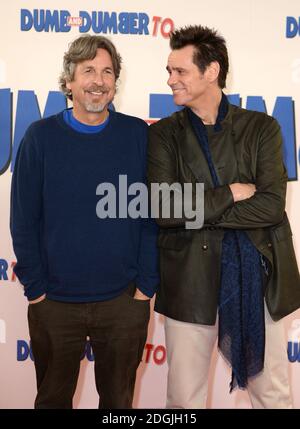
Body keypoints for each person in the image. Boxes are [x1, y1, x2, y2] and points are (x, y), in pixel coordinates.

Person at [148, 25, 300, 409]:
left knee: (273, 396)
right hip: (189, 283)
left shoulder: (262, 128)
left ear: (211, 71)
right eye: (169, 71)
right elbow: (164, 209)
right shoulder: (164, 135)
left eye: (179, 71)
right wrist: (230, 193)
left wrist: (197, 209)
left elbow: (270, 206)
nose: (170, 80)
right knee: (184, 400)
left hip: (256, 276)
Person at [10, 34, 159, 409]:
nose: (99, 80)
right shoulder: (39, 138)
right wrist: (37, 291)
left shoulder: (137, 135)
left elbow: (151, 214)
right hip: (55, 303)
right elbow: (23, 221)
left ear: (115, 82)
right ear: (69, 81)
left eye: (107, 71)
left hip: (123, 302)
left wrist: (145, 287)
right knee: (52, 401)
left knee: (118, 404)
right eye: (88, 70)